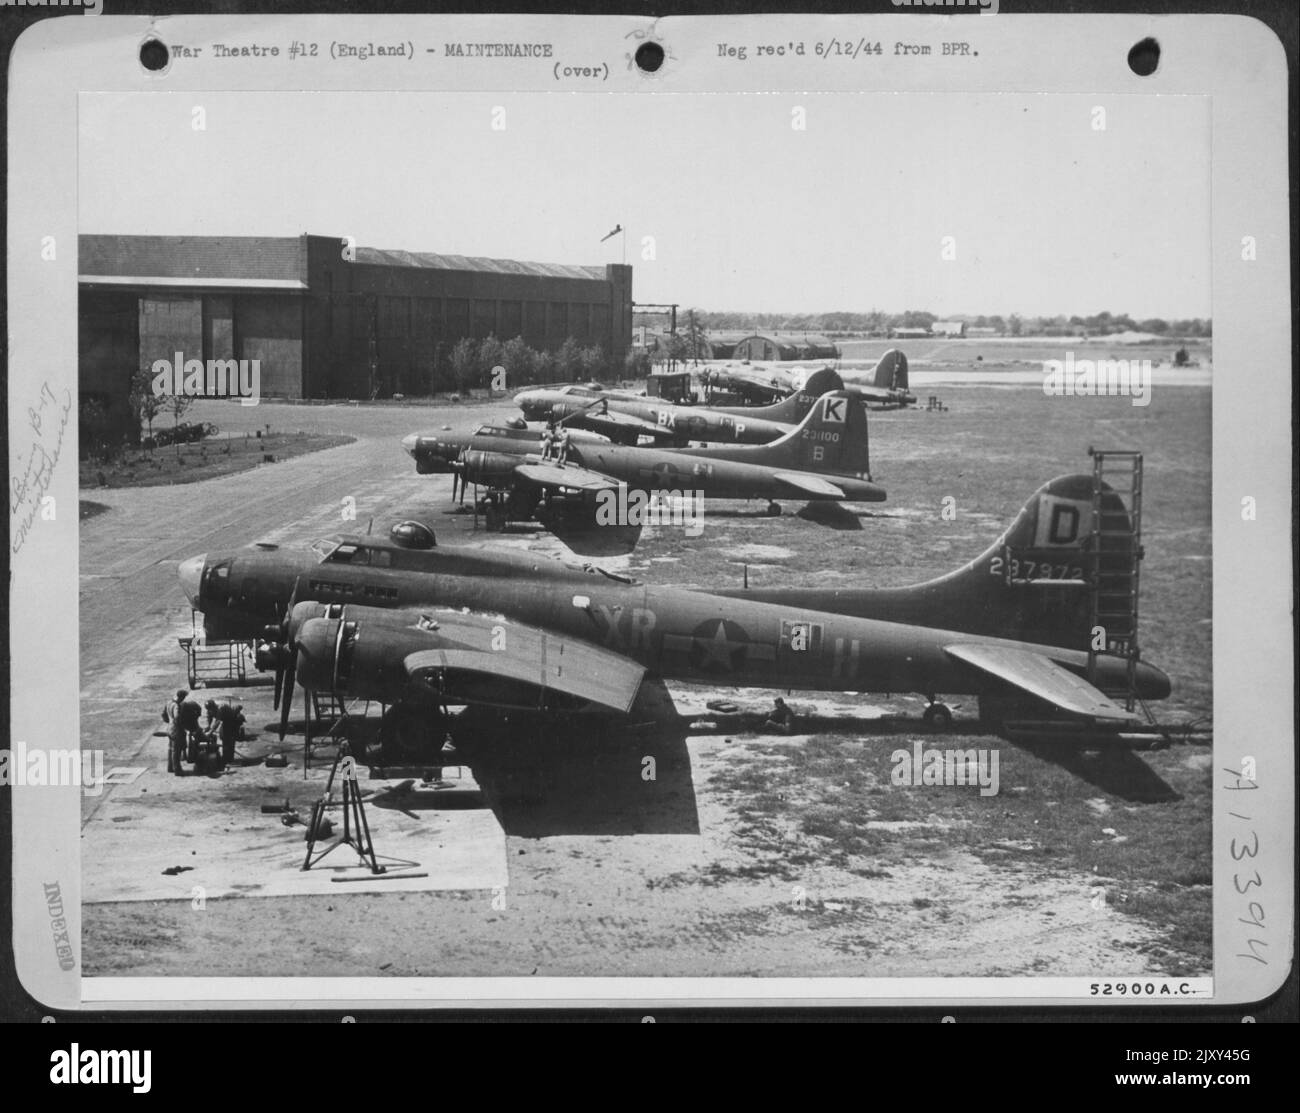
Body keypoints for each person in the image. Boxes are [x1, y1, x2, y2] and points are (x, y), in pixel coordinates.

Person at [162, 689, 188, 775]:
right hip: (176, 729)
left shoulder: (169, 702)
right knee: (176, 750)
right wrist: (181, 727)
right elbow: (177, 718)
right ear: (181, 697)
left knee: (170, 749)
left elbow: (163, 715)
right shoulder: (176, 706)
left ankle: (170, 767)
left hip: (169, 728)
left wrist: (169, 722)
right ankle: (177, 770)